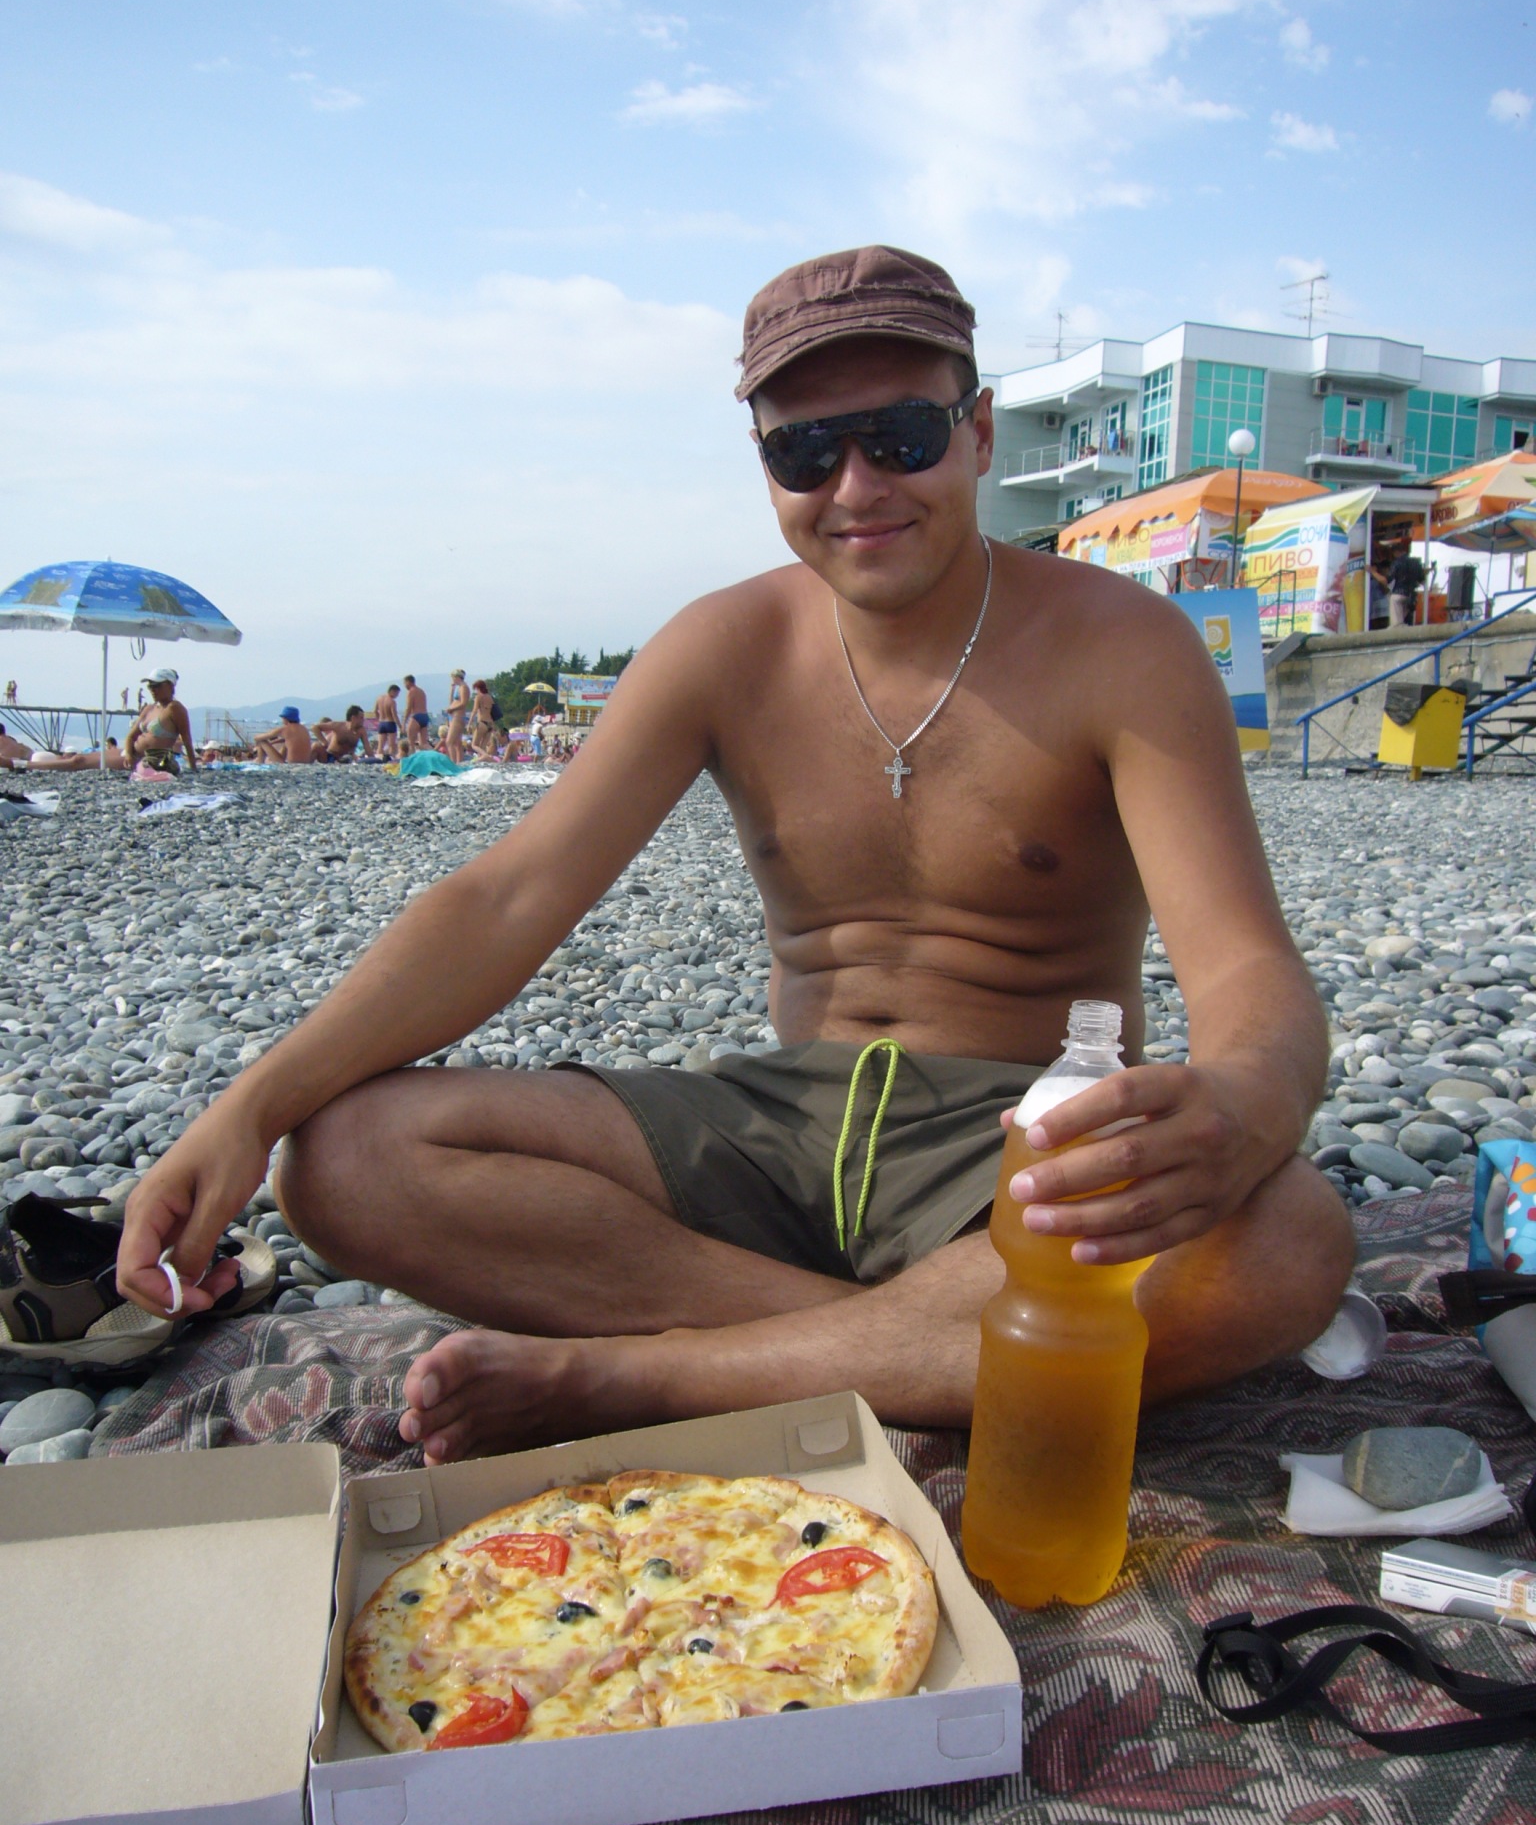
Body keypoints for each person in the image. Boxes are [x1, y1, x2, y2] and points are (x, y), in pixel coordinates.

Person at [117, 243, 1351, 1470]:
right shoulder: (726, 645)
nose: (857, 486)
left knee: (1286, 1235)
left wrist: (1242, 1105)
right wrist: (248, 1106)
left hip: (1008, 1133)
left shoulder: (1122, 647)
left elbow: (1245, 967)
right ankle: (901, 1346)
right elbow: (506, 897)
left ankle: (652, 1376)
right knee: (343, 1160)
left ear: (977, 433)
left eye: (902, 437)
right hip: (780, 1122)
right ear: (764, 464)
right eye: (805, 452)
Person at [124, 669, 197, 776]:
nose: (153, 690)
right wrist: (128, 755)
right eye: (150, 686)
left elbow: (186, 739)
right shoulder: (149, 708)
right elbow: (130, 736)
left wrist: (193, 768)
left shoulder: (174, 708)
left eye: (157, 686)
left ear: (170, 685)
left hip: (154, 761)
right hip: (133, 757)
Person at [1388, 550, 1427, 629]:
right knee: (1402, 617)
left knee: (1396, 622)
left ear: (1396, 552)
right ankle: (1401, 627)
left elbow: (1389, 578)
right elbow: (1422, 580)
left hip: (1398, 592)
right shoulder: (1416, 563)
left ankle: (1397, 628)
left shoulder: (1397, 562)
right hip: (1411, 595)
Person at [444, 670, 471, 764]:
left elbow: (463, 703)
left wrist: (452, 709)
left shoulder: (464, 687)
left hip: (458, 716)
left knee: (449, 741)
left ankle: (453, 762)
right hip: (454, 716)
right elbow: (452, 702)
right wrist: (452, 690)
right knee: (457, 743)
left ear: (457, 677)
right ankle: (459, 762)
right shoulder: (459, 688)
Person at [374, 686, 403, 762]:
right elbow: (394, 715)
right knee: (392, 745)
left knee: (380, 745)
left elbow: (375, 711)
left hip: (381, 723)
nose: (397, 696)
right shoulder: (392, 702)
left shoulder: (379, 698)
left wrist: (379, 719)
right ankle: (392, 760)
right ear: (392, 691)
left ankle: (378, 759)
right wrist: (400, 726)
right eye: (397, 693)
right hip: (390, 723)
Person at [403, 676, 430, 754]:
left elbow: (409, 708)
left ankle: (412, 757)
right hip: (425, 716)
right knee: (423, 744)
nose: (405, 686)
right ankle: (428, 756)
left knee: (411, 743)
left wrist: (404, 722)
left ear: (408, 682)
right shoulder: (421, 691)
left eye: (405, 683)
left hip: (416, 716)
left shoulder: (411, 691)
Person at [470, 680, 496, 755]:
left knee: (474, 745)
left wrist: (469, 723)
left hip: (482, 722)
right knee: (483, 747)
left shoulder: (478, 697)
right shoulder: (490, 697)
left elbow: (474, 710)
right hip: (490, 723)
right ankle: (483, 759)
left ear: (478, 688)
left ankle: (486, 756)